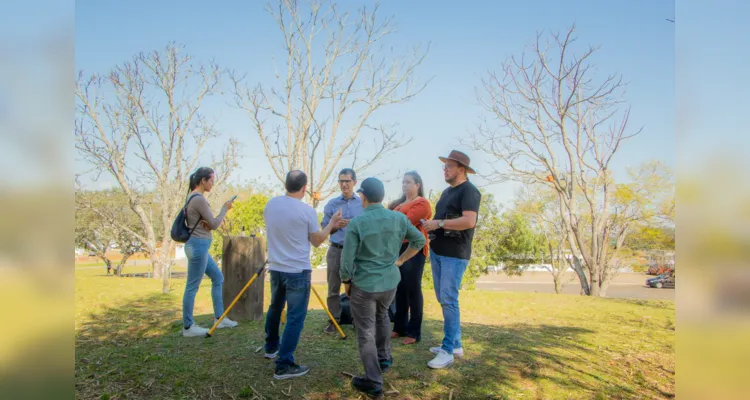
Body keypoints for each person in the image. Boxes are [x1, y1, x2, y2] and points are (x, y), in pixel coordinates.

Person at [340, 177, 426, 397]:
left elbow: (347, 259)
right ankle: (384, 358)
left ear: (364, 196)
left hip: (365, 285)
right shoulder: (398, 218)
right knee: (382, 318)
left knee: (365, 331)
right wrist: (400, 260)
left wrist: (346, 282)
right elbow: (420, 241)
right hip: (389, 282)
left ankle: (373, 380)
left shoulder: (358, 222)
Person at [263, 170, 342, 380]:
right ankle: (284, 364)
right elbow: (317, 241)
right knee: (295, 317)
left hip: (277, 268)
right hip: (297, 270)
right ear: (305, 188)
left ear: (286, 184)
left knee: (275, 307)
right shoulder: (306, 211)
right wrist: (332, 224)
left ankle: (271, 347)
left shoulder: (271, 205)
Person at [422, 150, 482, 369]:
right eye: (444, 166)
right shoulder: (447, 192)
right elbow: (442, 219)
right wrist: (432, 224)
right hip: (439, 252)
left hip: (455, 255)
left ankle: (447, 350)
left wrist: (438, 224)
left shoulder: (470, 191)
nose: (444, 169)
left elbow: (469, 221)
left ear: (461, 169)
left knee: (449, 299)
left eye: (449, 166)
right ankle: (455, 344)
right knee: (443, 298)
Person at [182, 167, 238, 337]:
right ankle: (188, 327)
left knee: (217, 278)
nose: (213, 183)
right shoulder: (198, 198)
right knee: (192, 286)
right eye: (211, 180)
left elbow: (201, 222)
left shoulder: (193, 197)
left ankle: (219, 319)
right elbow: (214, 224)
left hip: (199, 246)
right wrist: (225, 208)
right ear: (203, 181)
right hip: (197, 246)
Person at [388, 171, 432, 345]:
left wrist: (390, 220)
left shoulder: (422, 203)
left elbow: (404, 222)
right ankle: (400, 327)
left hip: (413, 248)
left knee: (413, 289)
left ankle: (414, 332)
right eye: (403, 182)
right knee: (399, 288)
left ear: (417, 185)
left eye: (408, 182)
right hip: (396, 247)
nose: (404, 185)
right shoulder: (398, 204)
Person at [320, 168, 364, 334]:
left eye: (347, 181)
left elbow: (368, 226)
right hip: (336, 250)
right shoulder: (332, 204)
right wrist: (334, 225)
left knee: (356, 287)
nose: (344, 184)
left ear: (354, 182)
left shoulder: (362, 203)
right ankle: (334, 321)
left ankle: (356, 320)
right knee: (333, 288)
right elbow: (323, 229)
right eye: (341, 181)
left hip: (356, 252)